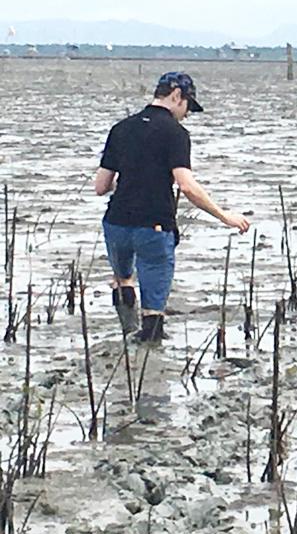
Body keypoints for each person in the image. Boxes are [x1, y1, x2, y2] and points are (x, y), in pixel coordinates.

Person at [93, 72, 250, 342]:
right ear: (177, 95)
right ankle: (149, 354)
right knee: (154, 305)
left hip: (116, 223)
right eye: (188, 106)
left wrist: (130, 178)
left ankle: (127, 337)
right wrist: (225, 216)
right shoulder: (176, 134)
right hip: (154, 226)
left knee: (123, 279)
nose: (187, 114)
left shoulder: (121, 128)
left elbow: (100, 186)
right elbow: (187, 186)